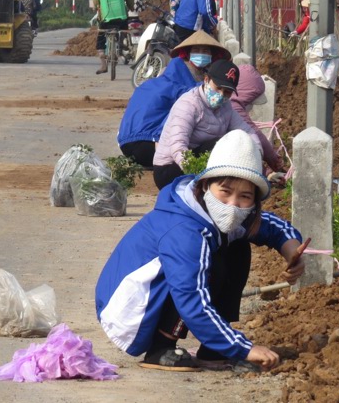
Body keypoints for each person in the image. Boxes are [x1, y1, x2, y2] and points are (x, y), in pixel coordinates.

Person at [96, 129, 306, 372]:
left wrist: (291, 250)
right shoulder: (185, 231)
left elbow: (271, 226)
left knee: (237, 246)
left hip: (154, 295)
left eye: (245, 196)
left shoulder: (216, 210)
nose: (233, 205)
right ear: (205, 185)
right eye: (225, 192)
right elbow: (192, 298)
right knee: (207, 266)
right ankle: (160, 347)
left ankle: (214, 349)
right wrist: (243, 348)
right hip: (128, 310)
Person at [118, 31, 231, 168]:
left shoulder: (165, 78)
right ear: (187, 54)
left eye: (205, 51)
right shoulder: (186, 90)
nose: (201, 53)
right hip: (147, 143)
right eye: (197, 50)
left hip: (126, 144)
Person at [152, 59, 263, 190]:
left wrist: (257, 156)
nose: (221, 95)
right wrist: (197, 173)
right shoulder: (189, 104)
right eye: (218, 88)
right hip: (170, 169)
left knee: (237, 139)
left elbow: (247, 132)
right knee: (221, 144)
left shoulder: (226, 107)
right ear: (206, 80)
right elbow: (177, 145)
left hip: (200, 162)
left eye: (227, 92)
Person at [230, 63, 285, 174]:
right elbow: (254, 133)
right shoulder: (232, 106)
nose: (251, 104)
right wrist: (274, 161)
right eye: (252, 99)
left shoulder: (230, 99)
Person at [93, 0, 135, 74]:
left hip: (105, 20)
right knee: (123, 31)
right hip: (121, 20)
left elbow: (95, 1)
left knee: (101, 38)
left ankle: (103, 64)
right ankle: (120, 46)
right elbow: (131, 1)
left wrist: (96, 7)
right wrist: (131, 7)